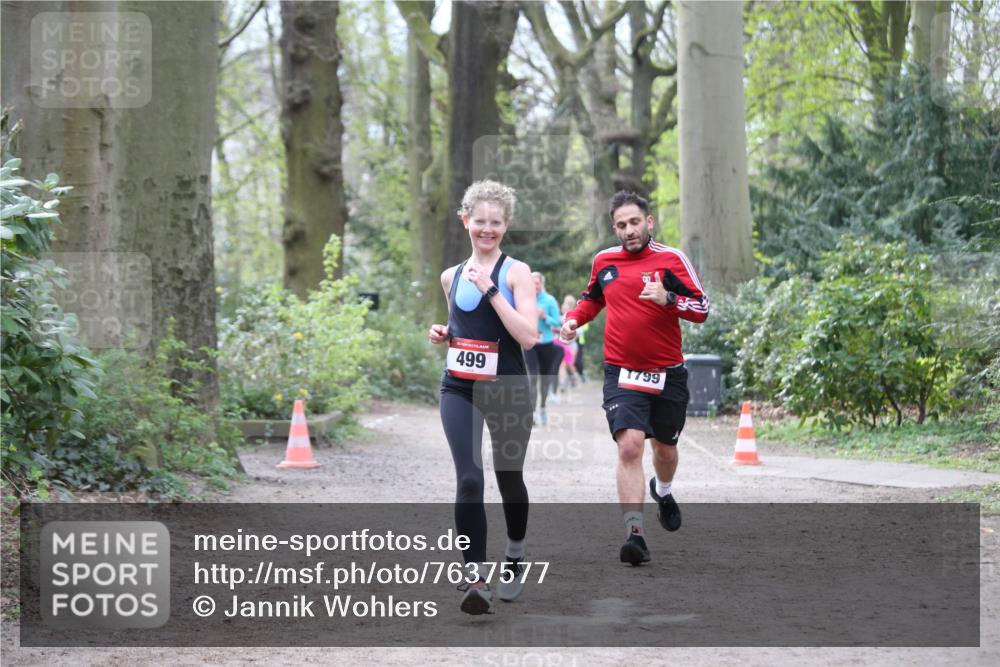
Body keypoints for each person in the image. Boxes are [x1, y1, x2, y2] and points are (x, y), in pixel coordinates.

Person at [560, 190, 709, 565]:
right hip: (622, 372)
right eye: (621, 225)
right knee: (629, 447)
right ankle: (635, 533)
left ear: (649, 222)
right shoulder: (604, 261)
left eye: (634, 223)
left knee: (665, 450)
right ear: (615, 228)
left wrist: (669, 300)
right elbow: (592, 298)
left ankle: (665, 488)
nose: (628, 231)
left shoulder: (671, 260)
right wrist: (575, 320)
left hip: (668, 374)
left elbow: (702, 308)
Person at [428, 180, 539, 613]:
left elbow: (528, 337)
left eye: (495, 223)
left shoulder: (516, 273)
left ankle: (515, 553)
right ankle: (475, 578)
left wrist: (492, 289)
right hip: (459, 386)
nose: (487, 230)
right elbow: (464, 329)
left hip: (508, 389)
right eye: (480, 222)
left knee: (509, 477)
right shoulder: (449, 276)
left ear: (506, 226)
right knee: (470, 479)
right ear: (465, 221)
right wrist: (445, 333)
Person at [522, 272, 562, 426]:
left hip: (546, 343)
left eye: (536, 283)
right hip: (530, 343)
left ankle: (543, 408)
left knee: (544, 379)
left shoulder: (549, 300)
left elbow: (557, 322)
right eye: (531, 282)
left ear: (541, 284)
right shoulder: (524, 299)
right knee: (532, 377)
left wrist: (545, 317)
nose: (534, 286)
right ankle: (531, 413)